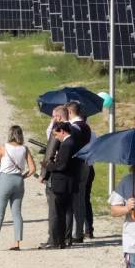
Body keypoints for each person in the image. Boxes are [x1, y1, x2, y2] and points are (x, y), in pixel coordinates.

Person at [0, 125, 36, 251]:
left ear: (10, 134)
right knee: (17, 213)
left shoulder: (3, 148)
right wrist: (22, 177)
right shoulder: (25, 149)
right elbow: (32, 169)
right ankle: (17, 242)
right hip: (18, 180)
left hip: (5, 180)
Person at [42, 122, 79, 249]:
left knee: (57, 213)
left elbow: (62, 165)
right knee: (64, 213)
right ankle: (61, 240)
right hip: (68, 183)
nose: (56, 138)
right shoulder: (73, 142)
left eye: (56, 134)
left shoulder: (67, 144)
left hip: (61, 183)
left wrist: (48, 165)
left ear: (62, 131)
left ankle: (56, 241)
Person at [38, 106, 68, 248]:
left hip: (56, 175)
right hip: (70, 174)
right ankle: (63, 238)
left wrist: (44, 173)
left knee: (54, 209)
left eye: (54, 117)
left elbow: (50, 152)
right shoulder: (75, 129)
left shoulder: (58, 130)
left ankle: (54, 240)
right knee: (65, 209)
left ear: (58, 117)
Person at [64, 101, 93, 244]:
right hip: (86, 163)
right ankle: (79, 231)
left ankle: (75, 232)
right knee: (81, 198)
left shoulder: (74, 127)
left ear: (69, 112)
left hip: (76, 165)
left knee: (73, 200)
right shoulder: (87, 126)